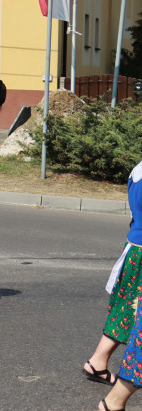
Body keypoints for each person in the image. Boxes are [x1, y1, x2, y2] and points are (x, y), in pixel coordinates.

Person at [84, 161, 142, 387]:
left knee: (126, 308)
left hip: (135, 249)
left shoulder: (138, 170)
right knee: (131, 310)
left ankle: (98, 361)